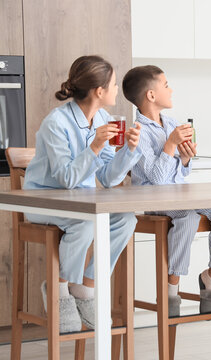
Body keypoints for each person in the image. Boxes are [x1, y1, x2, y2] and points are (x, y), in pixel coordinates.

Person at [23, 55, 143, 332]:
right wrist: (95, 146)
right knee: (85, 221)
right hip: (42, 200)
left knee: (126, 219)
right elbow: (66, 178)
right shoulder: (57, 123)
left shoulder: (102, 118)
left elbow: (107, 178)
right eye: (113, 84)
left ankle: (86, 287)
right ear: (99, 91)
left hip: (82, 201)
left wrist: (129, 151)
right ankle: (59, 287)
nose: (116, 89)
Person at [122, 65, 211, 316]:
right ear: (151, 95)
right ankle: (171, 289)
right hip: (155, 199)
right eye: (165, 85)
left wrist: (185, 158)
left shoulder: (171, 123)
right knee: (188, 216)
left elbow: (181, 172)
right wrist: (171, 143)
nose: (171, 89)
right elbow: (156, 180)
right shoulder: (137, 134)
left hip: (181, 195)